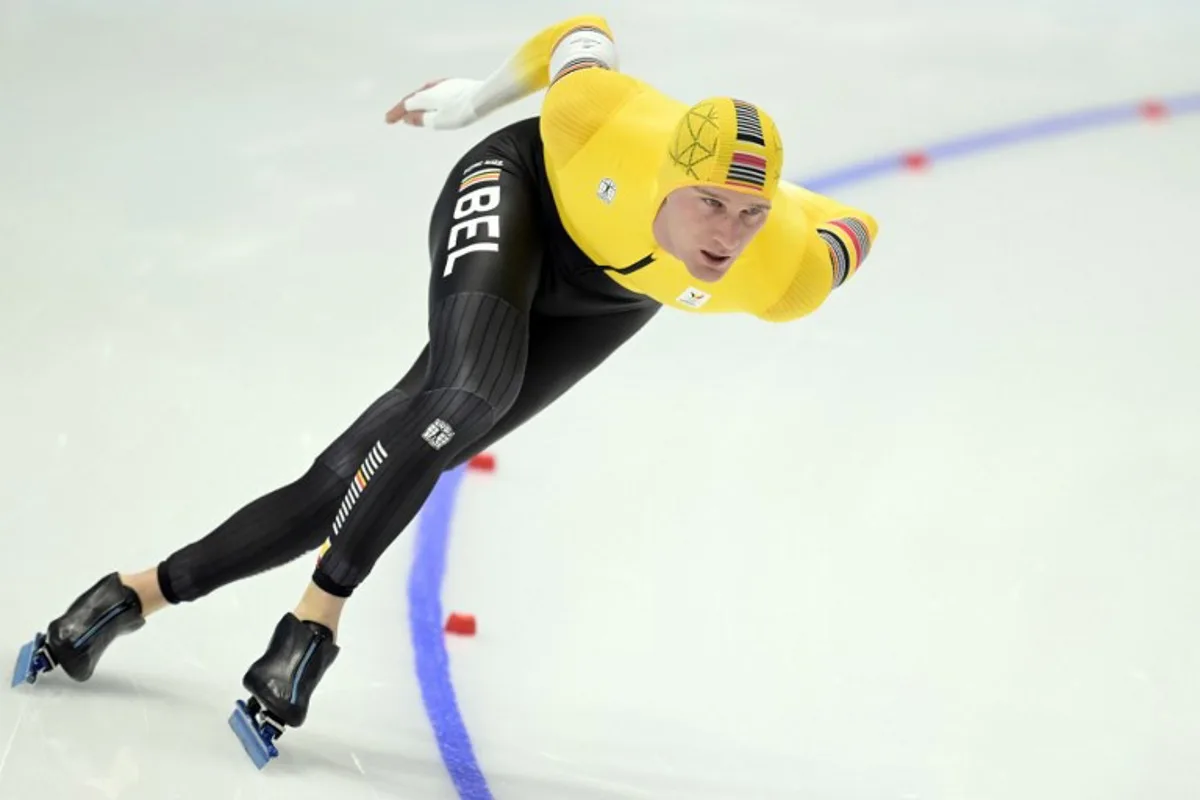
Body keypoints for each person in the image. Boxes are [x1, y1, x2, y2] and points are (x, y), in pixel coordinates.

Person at [12, 13, 878, 765]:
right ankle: (312, 628)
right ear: (668, 176)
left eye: (749, 212)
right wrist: (471, 101)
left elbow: (855, 227)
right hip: (523, 193)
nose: (727, 235)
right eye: (710, 205)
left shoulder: (779, 272)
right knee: (466, 396)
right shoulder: (601, 116)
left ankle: (132, 593)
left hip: (607, 301)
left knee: (359, 472)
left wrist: (807, 223)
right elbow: (583, 34)